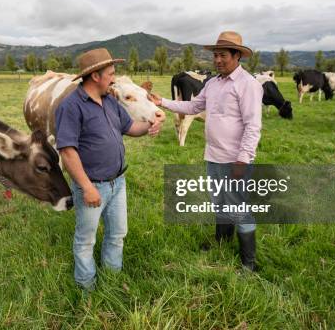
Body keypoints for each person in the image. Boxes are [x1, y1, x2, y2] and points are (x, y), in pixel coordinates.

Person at [149, 31, 263, 271]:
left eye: (223, 55)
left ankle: (248, 263)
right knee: (220, 203)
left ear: (237, 56)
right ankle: (222, 243)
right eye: (215, 56)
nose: (218, 60)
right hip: (213, 156)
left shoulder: (248, 85)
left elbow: (253, 126)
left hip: (235, 159)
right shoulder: (212, 84)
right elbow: (193, 106)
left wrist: (243, 160)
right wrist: (163, 103)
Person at [55, 48, 164, 290]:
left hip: (118, 182)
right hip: (92, 185)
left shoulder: (110, 102)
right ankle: (87, 288)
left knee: (117, 234)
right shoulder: (71, 106)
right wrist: (86, 187)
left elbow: (130, 128)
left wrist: (149, 126)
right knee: (86, 240)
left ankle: (112, 281)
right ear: (95, 76)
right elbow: (67, 151)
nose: (114, 79)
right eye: (111, 74)